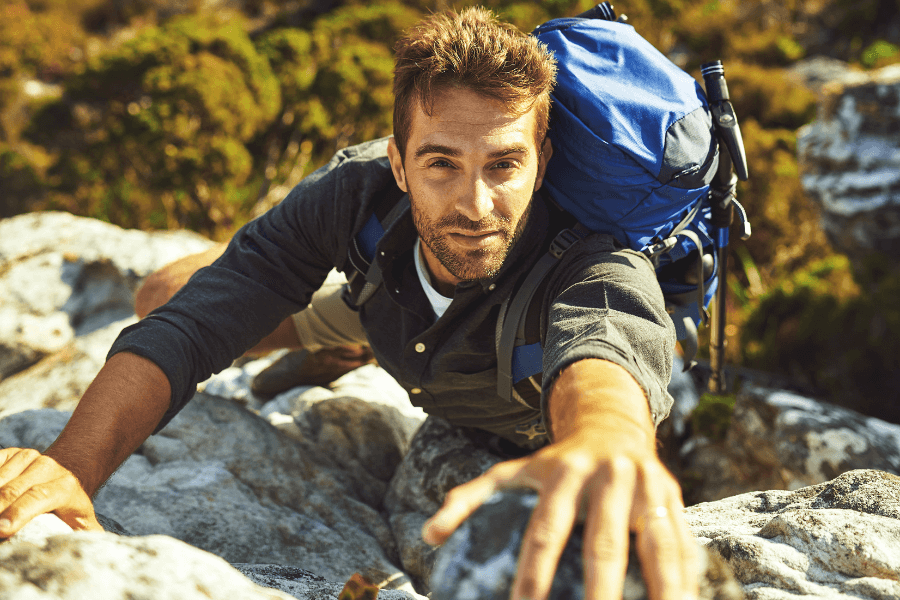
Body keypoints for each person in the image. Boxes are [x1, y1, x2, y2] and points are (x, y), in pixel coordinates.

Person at [0, 7, 698, 600]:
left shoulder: (594, 265)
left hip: (494, 387)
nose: (476, 204)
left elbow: (604, 364)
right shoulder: (360, 192)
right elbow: (189, 326)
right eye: (441, 163)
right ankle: (351, 332)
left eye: (504, 164)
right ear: (398, 162)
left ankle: (354, 333)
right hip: (389, 308)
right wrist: (71, 465)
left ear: (541, 161)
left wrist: (609, 441)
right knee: (163, 293)